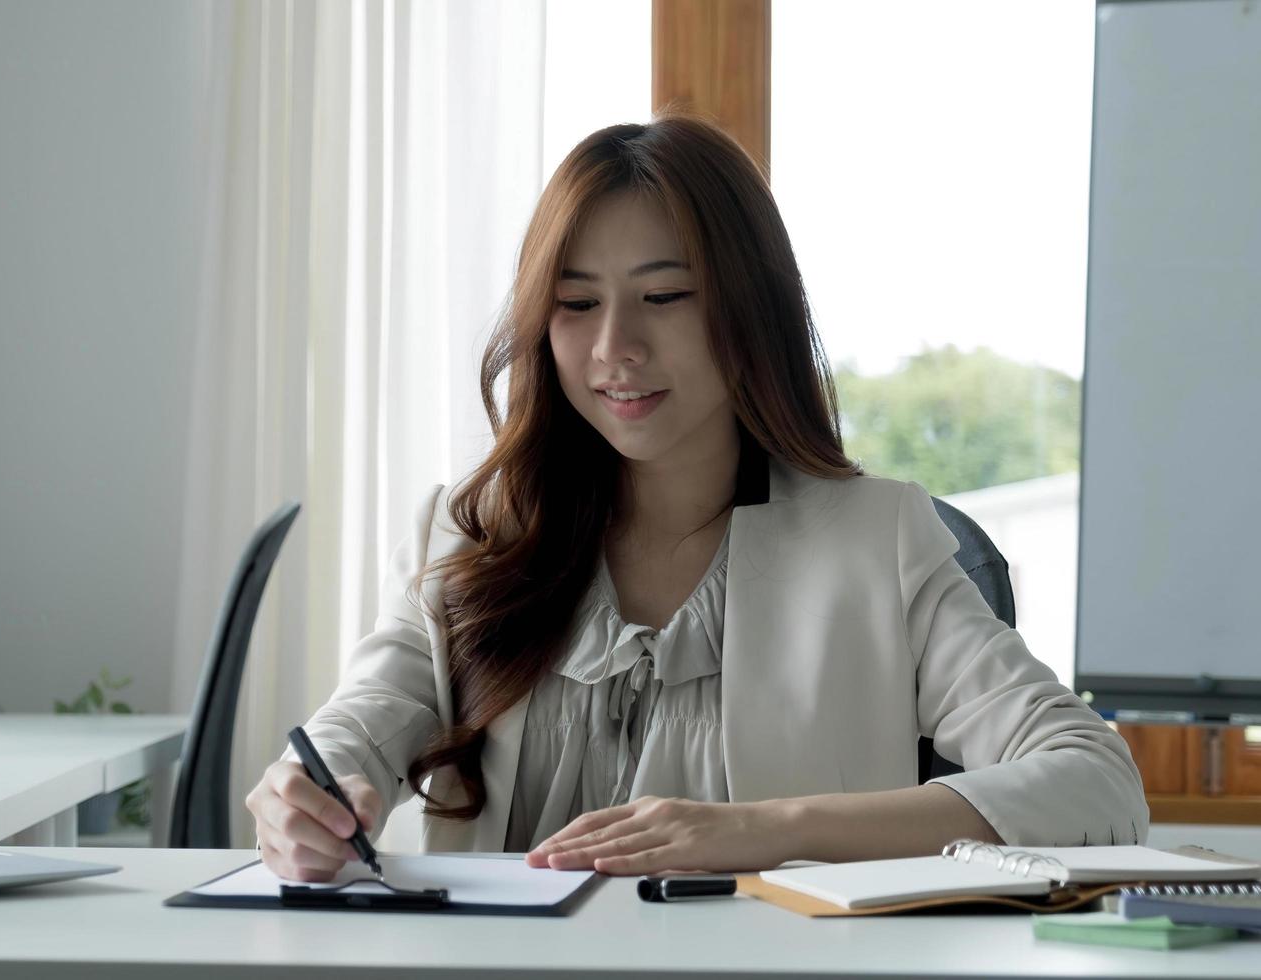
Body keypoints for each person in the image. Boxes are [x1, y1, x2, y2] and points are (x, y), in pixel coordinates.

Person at [246, 116, 1147, 883]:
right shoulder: (473, 534)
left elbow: (1095, 781)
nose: (615, 347)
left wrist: (773, 830)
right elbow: (355, 731)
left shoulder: (879, 542)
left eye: (665, 296)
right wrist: (305, 792)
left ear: (748, 309)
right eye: (574, 303)